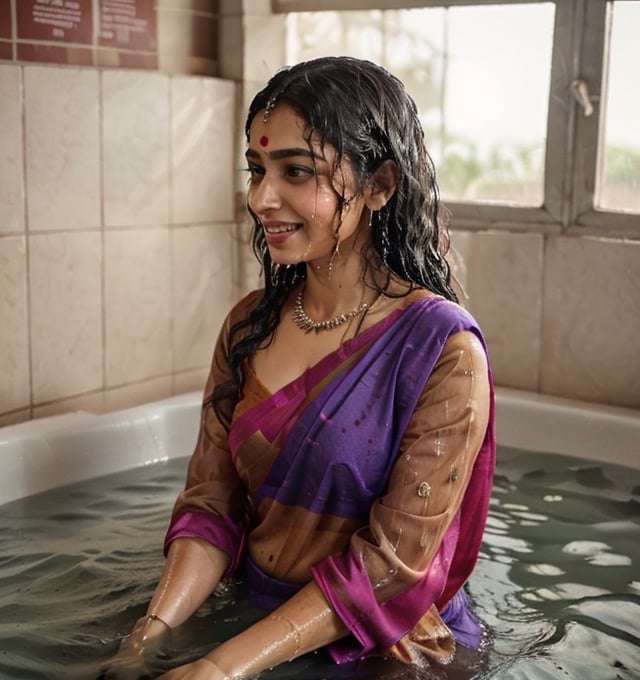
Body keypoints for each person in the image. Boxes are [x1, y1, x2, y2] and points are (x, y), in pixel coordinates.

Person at [99, 56, 496, 680]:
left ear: (379, 185)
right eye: (257, 170)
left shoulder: (443, 352)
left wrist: (221, 668)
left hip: (381, 651)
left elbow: (390, 567)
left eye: (296, 171)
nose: (261, 197)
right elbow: (212, 504)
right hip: (250, 620)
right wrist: (149, 638)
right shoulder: (248, 325)